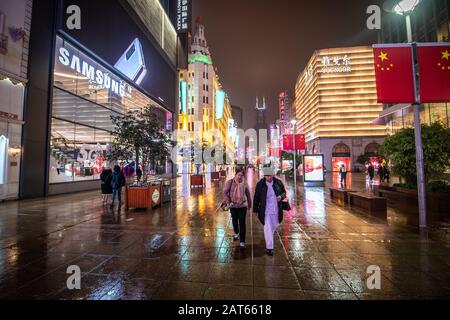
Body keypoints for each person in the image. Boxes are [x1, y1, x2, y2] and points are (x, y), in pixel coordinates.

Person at [253, 167, 287, 256]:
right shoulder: (260, 184)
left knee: (274, 226)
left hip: (276, 209)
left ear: (273, 175)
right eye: (266, 176)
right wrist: (255, 209)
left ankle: (269, 239)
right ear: (264, 176)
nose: (268, 178)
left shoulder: (278, 183)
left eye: (270, 176)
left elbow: (284, 192)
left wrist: (281, 197)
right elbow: (256, 197)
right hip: (265, 210)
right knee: (267, 227)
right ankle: (269, 247)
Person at [223, 167, 252, 250]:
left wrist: (249, 205)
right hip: (233, 205)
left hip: (242, 206)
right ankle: (236, 232)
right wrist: (228, 202)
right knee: (234, 219)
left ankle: (242, 242)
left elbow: (248, 195)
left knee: (242, 222)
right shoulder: (230, 182)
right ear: (235, 175)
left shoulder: (245, 183)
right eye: (238, 175)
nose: (240, 177)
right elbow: (225, 192)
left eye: (241, 175)